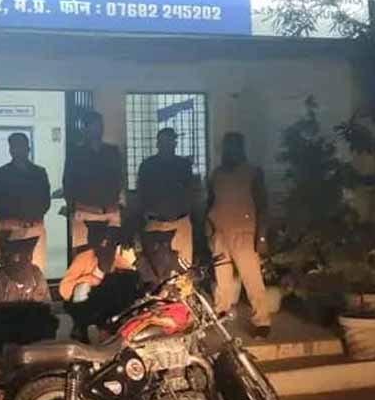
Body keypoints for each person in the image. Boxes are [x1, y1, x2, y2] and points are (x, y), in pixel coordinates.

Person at [207, 132, 271, 338]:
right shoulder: (217, 174)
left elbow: (262, 206)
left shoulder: (253, 173)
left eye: (234, 146)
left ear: (241, 149)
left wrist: (262, 237)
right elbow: (210, 202)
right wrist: (209, 229)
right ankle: (221, 314)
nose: (230, 151)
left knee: (252, 279)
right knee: (222, 279)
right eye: (227, 147)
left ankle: (262, 321)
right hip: (220, 234)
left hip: (245, 234)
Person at [0, 235, 57, 356]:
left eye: (26, 257)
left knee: (49, 321)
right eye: (15, 258)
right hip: (8, 322)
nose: (20, 263)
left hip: (32, 321)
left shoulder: (36, 274)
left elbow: (46, 304)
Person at [0, 132, 51, 272]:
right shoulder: (1, 174)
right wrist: (9, 220)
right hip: (11, 229)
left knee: (36, 272)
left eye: (21, 146)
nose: (18, 150)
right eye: (14, 147)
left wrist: (33, 218)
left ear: (28, 148)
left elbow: (45, 201)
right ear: (10, 150)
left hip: (35, 228)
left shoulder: (39, 173)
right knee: (12, 272)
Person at [63, 110, 124, 249]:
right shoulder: (76, 153)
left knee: (110, 255)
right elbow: (68, 182)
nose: (98, 129)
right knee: (84, 256)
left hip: (110, 211)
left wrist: (119, 203)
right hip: (85, 211)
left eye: (100, 125)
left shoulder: (112, 151)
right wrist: (73, 206)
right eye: (94, 125)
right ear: (85, 129)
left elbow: (120, 179)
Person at [136, 127, 196, 265]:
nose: (168, 144)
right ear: (158, 144)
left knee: (183, 268)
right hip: (155, 223)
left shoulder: (183, 165)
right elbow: (141, 192)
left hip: (180, 222)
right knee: (156, 267)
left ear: (175, 144)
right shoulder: (148, 166)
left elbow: (191, 191)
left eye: (171, 141)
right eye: (165, 141)